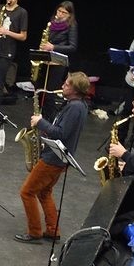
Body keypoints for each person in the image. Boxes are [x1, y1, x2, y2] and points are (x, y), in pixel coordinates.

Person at [16, 72, 91, 244]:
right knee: (44, 192)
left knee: (27, 192)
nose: (63, 86)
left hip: (53, 159)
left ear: (75, 90)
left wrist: (40, 122)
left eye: (67, 84)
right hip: (58, 158)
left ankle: (34, 232)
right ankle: (52, 230)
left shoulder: (75, 108)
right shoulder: (77, 105)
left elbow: (61, 133)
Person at [35, 1, 78, 92]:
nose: (60, 14)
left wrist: (53, 47)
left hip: (58, 63)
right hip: (46, 60)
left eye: (64, 12)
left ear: (69, 15)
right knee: (39, 88)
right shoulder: (51, 23)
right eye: (59, 11)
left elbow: (73, 47)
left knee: (51, 90)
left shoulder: (72, 25)